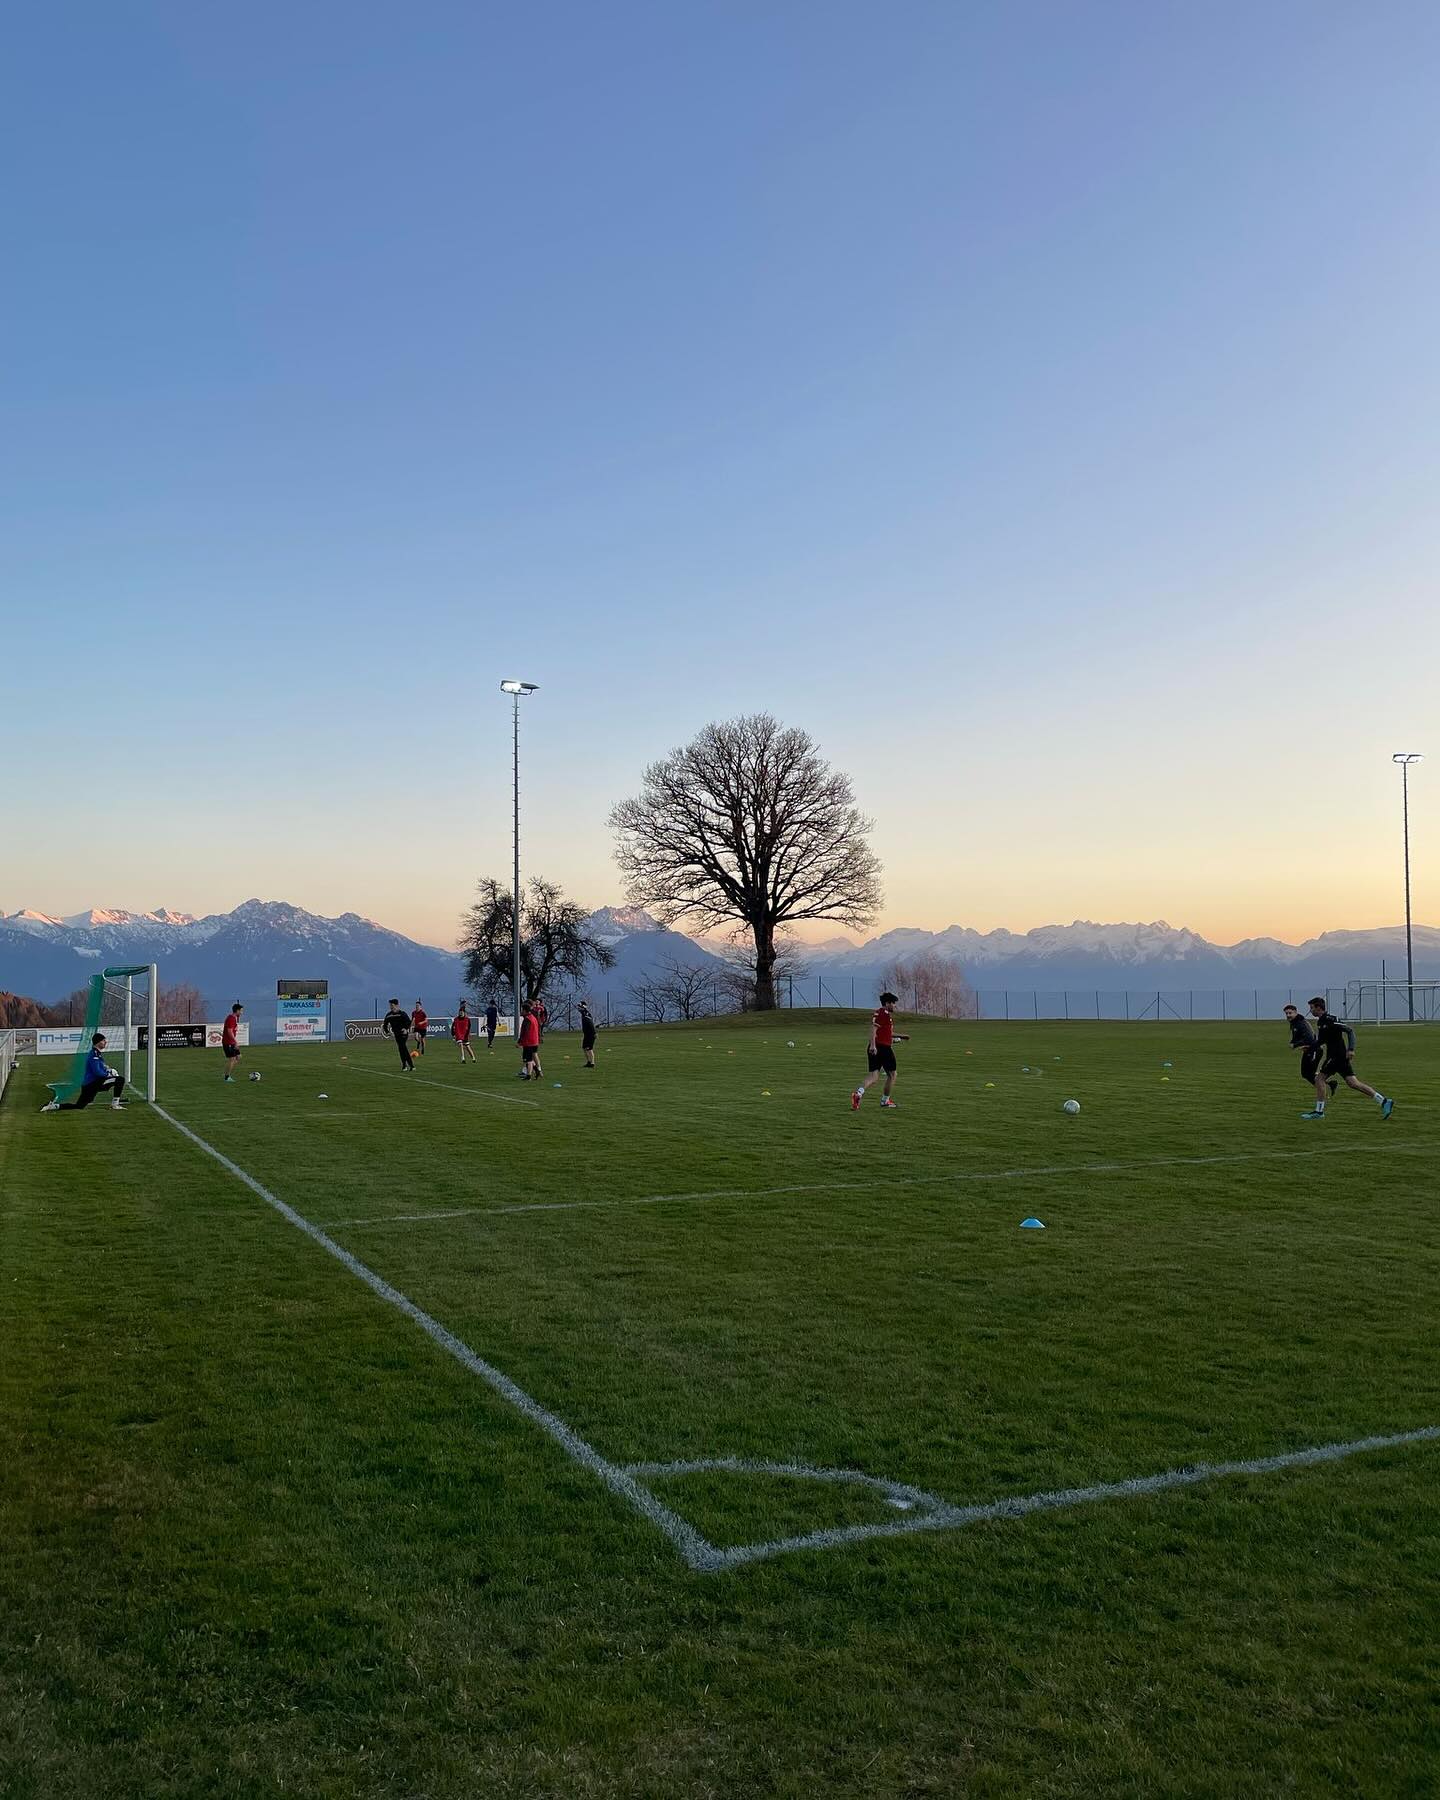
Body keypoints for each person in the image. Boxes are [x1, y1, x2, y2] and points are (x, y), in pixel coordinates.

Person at [1302, 997, 1393, 1121]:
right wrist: (1310, 1047)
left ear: (1319, 1008)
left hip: (1336, 1056)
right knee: (1353, 1083)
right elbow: (1321, 1041)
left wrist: (1351, 1049)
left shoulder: (1331, 1020)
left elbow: (1349, 1031)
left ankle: (1319, 1112)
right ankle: (1384, 1101)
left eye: (1312, 1008)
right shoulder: (1321, 1022)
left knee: (1319, 1079)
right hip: (1337, 1057)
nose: (1310, 1010)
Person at [852, 991, 909, 1110]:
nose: (895, 1005)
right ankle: (885, 1101)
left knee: (874, 1076)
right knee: (892, 1074)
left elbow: (887, 1033)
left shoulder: (881, 1014)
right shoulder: (884, 1013)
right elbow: (873, 1029)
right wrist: (873, 1045)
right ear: (887, 1003)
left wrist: (902, 1036)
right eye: (893, 1003)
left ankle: (858, 1093)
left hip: (876, 1047)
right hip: (882, 1048)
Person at [41, 1033, 127, 1112]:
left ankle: (54, 1106)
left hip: (90, 1084)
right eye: (103, 1040)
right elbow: (97, 1072)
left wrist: (108, 1070)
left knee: (79, 1106)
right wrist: (108, 1074)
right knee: (120, 1080)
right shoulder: (94, 1054)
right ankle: (115, 1104)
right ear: (98, 1042)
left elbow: (100, 1068)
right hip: (93, 1084)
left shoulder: (96, 1054)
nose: (105, 1042)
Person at [1284, 1004, 1336, 1102]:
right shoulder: (1295, 1023)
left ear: (1296, 1012)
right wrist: (1294, 1043)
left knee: (1309, 1074)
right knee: (1305, 1073)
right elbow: (1299, 1037)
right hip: (1309, 1050)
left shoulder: (1301, 1023)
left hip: (1314, 1050)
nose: (1288, 1015)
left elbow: (1310, 1038)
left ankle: (1324, 1092)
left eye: (1290, 1013)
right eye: (1286, 1013)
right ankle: (1329, 1085)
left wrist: (1295, 1045)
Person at [383, 998, 414, 1072]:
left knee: (403, 1047)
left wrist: (406, 1029)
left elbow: (409, 1022)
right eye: (390, 1005)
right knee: (401, 1049)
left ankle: (409, 1066)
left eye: (392, 1005)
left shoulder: (402, 1013)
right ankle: (406, 1066)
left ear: (397, 1005)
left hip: (403, 1034)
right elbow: (385, 1025)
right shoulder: (389, 1015)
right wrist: (388, 1032)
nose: (391, 1007)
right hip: (396, 1035)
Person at [221, 1001, 245, 1082]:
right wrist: (235, 1042)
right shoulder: (231, 1019)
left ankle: (226, 1073)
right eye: (241, 1011)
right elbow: (229, 1031)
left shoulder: (233, 1018)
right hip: (228, 1043)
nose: (242, 1012)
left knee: (238, 1057)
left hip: (231, 1042)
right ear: (237, 1011)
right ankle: (227, 1077)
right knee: (232, 1059)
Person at [518, 1003, 542, 1080]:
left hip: (529, 1042)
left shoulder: (527, 1019)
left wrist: (520, 1042)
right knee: (530, 1058)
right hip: (535, 1041)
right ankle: (537, 1071)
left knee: (528, 1059)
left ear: (525, 1010)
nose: (521, 1011)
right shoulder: (533, 1017)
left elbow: (525, 1032)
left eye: (522, 1010)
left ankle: (528, 1076)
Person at [579, 999, 598, 1068]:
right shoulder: (584, 1014)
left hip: (590, 1034)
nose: (578, 1008)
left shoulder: (586, 1015)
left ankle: (592, 1063)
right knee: (584, 1048)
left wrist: (594, 1033)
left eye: (580, 1007)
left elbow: (591, 1024)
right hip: (586, 1034)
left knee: (589, 1048)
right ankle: (589, 1062)